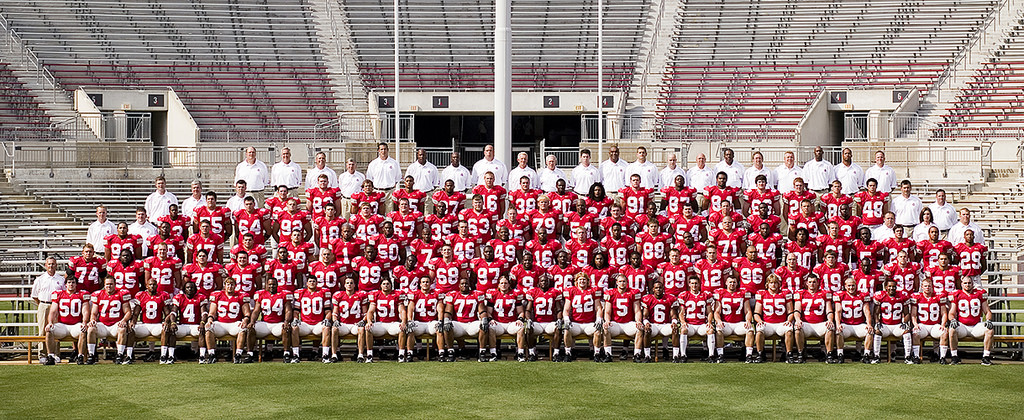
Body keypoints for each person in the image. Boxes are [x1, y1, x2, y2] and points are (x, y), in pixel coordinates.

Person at [946, 276, 995, 365]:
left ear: (973, 284)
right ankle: (954, 357)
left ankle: (986, 357)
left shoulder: (979, 294)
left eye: (969, 283)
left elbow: (987, 311)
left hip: (976, 325)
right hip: (962, 326)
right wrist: (952, 320)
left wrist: (988, 320)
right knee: (952, 330)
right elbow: (951, 313)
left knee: (990, 330)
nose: (967, 285)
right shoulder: (957, 295)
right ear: (961, 284)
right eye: (965, 283)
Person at [44, 276, 92, 365]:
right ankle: (50, 356)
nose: (71, 284)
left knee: (83, 330)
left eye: (73, 282)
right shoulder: (59, 294)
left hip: (76, 325)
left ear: (76, 284)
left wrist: (84, 322)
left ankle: (80, 356)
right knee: (49, 330)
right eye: (69, 282)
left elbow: (85, 311)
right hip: (62, 325)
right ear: (65, 284)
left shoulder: (82, 295)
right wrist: (50, 322)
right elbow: (53, 311)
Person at [441, 277, 491, 362]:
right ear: (459, 286)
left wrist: (484, 319)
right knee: (447, 326)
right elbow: (448, 311)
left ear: (470, 285)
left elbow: (482, 310)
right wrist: (446, 320)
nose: (464, 285)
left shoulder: (476, 294)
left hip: (472, 323)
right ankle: (451, 353)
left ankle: (481, 353)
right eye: (462, 284)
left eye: (466, 284)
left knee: (483, 325)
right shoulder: (453, 295)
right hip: (458, 324)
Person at [86, 276, 134, 364]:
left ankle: (120, 354)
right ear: (104, 285)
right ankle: (91, 355)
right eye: (107, 284)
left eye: (111, 284)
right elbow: (94, 313)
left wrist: (123, 320)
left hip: (116, 324)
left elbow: (128, 312)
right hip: (103, 324)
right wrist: (93, 320)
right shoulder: (99, 294)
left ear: (115, 285)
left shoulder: (121, 294)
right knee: (91, 329)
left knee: (122, 329)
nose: (109, 286)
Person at [204, 277, 252, 364]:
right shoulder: (217, 295)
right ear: (224, 286)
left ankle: (238, 355)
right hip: (221, 324)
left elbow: (247, 313)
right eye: (228, 284)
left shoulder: (241, 296)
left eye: (232, 284)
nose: (230, 287)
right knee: (208, 328)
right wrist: (210, 319)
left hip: (234, 323)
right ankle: (212, 355)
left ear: (235, 286)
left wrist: (245, 320)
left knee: (243, 328)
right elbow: (212, 312)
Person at [560, 273, 605, 362]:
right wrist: (566, 319)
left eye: (584, 279)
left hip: (589, 323)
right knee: (566, 330)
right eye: (580, 279)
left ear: (588, 281)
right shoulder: (572, 291)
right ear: (576, 282)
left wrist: (599, 319)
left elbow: (598, 308)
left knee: (597, 331)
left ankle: (596, 353)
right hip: (576, 323)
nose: (582, 281)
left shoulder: (593, 290)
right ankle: (568, 353)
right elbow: (566, 309)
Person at [871, 278, 914, 364]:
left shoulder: (902, 296)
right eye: (889, 286)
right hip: (885, 325)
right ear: (886, 287)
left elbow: (907, 313)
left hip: (897, 325)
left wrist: (904, 322)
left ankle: (908, 357)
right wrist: (877, 322)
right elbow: (876, 313)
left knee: (907, 332)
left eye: (894, 286)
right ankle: (876, 356)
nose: (892, 288)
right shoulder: (881, 296)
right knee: (877, 332)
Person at [753, 273, 794, 363]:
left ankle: (789, 354)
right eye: (771, 283)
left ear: (779, 284)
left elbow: (790, 312)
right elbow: (756, 313)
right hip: (767, 323)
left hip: (781, 323)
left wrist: (789, 320)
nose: (773, 285)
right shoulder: (762, 294)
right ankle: (760, 353)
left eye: (775, 283)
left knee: (789, 329)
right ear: (767, 284)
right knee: (759, 330)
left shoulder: (784, 293)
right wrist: (759, 321)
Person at [793, 274, 834, 363]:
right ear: (806, 283)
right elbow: (797, 310)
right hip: (806, 324)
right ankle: (800, 353)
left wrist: (830, 320)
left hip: (820, 323)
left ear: (818, 283)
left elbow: (829, 310)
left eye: (814, 282)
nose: (812, 284)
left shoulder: (824, 294)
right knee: (797, 328)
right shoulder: (801, 294)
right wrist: (797, 319)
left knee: (830, 327)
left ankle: (829, 354)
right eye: (810, 282)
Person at [131, 277, 173, 364]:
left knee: (165, 329)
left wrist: (166, 321)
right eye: (150, 284)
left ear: (157, 286)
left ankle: (163, 355)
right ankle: (129, 355)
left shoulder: (162, 296)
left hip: (157, 324)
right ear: (146, 286)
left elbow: (167, 313)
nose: (152, 286)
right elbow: (136, 313)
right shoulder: (141, 296)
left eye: (154, 284)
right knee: (130, 329)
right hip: (144, 325)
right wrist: (133, 321)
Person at [677, 275, 718, 363]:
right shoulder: (685, 295)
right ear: (689, 284)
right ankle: (683, 355)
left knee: (710, 330)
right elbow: (681, 312)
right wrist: (683, 322)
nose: (694, 285)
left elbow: (710, 312)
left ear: (699, 284)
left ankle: (711, 355)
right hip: (690, 325)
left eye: (696, 283)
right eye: (692, 283)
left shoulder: (705, 295)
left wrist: (710, 322)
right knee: (683, 330)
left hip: (701, 325)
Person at [485, 276, 527, 361]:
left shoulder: (515, 294)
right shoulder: (493, 294)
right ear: (498, 285)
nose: (503, 285)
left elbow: (521, 312)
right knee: (491, 327)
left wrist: (520, 319)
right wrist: (490, 319)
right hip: (498, 323)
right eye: (502, 283)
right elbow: (488, 312)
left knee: (521, 328)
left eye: (506, 283)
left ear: (509, 285)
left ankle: (520, 354)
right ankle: (493, 354)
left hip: (511, 323)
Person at [714, 274, 754, 363]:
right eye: (730, 282)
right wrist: (719, 321)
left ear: (737, 284)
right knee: (719, 329)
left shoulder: (742, 294)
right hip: (726, 323)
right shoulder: (721, 293)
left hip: (739, 323)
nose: (732, 284)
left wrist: (748, 320)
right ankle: (720, 355)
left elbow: (748, 311)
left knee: (750, 330)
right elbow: (716, 312)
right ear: (726, 283)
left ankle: (749, 355)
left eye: (734, 282)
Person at [293, 276, 334, 363]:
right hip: (305, 324)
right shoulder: (301, 293)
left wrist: (327, 319)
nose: (312, 283)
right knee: (294, 327)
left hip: (318, 324)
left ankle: (325, 355)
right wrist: (296, 318)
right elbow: (296, 311)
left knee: (326, 328)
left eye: (314, 281)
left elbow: (328, 310)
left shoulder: (322, 293)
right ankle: (295, 355)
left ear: (316, 283)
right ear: (307, 283)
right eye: (310, 281)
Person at [603, 274, 643, 362]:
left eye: (624, 281)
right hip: (616, 323)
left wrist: (638, 321)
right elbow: (607, 311)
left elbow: (637, 310)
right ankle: (608, 354)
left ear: (627, 283)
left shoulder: (633, 293)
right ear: (617, 283)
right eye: (620, 281)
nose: (622, 283)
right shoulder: (611, 293)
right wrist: (607, 321)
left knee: (639, 329)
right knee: (606, 328)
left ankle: (637, 355)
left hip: (628, 323)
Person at [31, 257, 65, 360]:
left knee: (56, 330)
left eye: (53, 264)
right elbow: (35, 295)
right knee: (42, 330)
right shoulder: (40, 279)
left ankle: (55, 354)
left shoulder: (61, 279)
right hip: (44, 304)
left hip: (56, 306)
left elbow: (64, 294)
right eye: (49, 264)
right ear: (46, 266)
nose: (51, 266)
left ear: (56, 265)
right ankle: (42, 354)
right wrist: (43, 304)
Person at [833, 277, 873, 363]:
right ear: (845, 286)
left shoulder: (863, 295)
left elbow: (867, 311)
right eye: (849, 286)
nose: (851, 288)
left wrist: (869, 324)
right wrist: (838, 324)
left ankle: (866, 355)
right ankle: (840, 354)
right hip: (846, 324)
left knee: (870, 332)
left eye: (853, 285)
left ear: (856, 285)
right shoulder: (840, 295)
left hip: (859, 324)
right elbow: (838, 311)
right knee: (838, 331)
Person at [402, 276, 442, 362]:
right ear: (420, 284)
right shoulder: (415, 294)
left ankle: (441, 353)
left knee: (439, 329)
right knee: (410, 329)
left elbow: (440, 308)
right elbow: (410, 308)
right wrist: (409, 320)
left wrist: (440, 321)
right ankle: (410, 353)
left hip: (432, 322)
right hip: (419, 322)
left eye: (427, 282)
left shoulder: (436, 294)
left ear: (430, 284)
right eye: (423, 282)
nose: (425, 284)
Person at [524, 275, 562, 361]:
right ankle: (532, 353)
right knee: (529, 329)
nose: (544, 283)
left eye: (546, 281)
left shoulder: (554, 292)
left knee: (558, 329)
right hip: (538, 322)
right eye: (542, 281)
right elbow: (528, 310)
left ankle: (556, 353)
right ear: (538, 283)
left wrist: (559, 319)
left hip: (550, 323)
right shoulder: (534, 292)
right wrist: (528, 320)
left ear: (549, 283)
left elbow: (559, 309)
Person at [910, 278, 947, 363]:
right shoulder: (917, 297)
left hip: (935, 325)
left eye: (929, 286)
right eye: (925, 286)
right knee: (915, 333)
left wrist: (943, 324)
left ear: (932, 287)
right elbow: (913, 314)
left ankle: (942, 357)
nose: (927, 288)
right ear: (922, 287)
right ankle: (916, 356)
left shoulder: (938, 297)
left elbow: (944, 313)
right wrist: (915, 324)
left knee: (944, 333)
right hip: (923, 325)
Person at [172, 281, 210, 363]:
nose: (190, 289)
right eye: (188, 287)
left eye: (192, 288)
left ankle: (202, 356)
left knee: (202, 330)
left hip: (195, 325)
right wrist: (173, 323)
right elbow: (173, 312)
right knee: (171, 330)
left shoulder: (200, 297)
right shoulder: (179, 297)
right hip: (183, 325)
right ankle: (170, 355)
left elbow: (204, 313)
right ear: (184, 289)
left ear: (195, 289)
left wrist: (202, 322)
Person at [366, 142, 403, 212]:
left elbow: (398, 177)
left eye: (385, 149)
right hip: (377, 192)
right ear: (378, 151)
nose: (383, 151)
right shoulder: (373, 164)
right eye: (381, 149)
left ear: (388, 150)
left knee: (390, 214)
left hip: (390, 192)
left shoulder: (394, 163)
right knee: (377, 214)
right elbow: (369, 178)